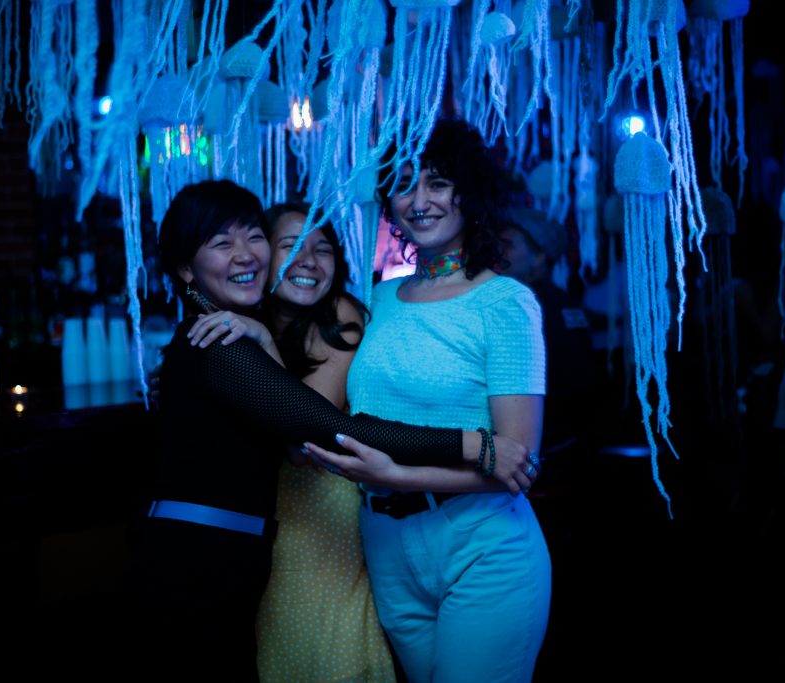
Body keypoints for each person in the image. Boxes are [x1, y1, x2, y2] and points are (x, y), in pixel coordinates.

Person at [125, 179, 538, 678]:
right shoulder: (220, 341)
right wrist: (473, 444)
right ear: (186, 269)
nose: (244, 255)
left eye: (252, 236)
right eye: (220, 243)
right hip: (195, 563)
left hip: (222, 560)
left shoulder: (237, 332)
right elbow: (327, 429)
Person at [307, 119, 551, 683]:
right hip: (386, 545)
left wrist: (400, 474)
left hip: (480, 543)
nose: (419, 200)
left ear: (469, 191)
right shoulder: (379, 297)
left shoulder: (506, 304)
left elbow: (519, 463)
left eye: (437, 183)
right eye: (404, 184)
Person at [254, 203, 396, 682]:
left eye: (323, 249)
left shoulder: (341, 315)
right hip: (268, 511)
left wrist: (259, 346)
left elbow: (305, 429)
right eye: (290, 246)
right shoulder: (255, 317)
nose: (309, 260)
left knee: (327, 650)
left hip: (320, 507)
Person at [497, 205, 594, 470]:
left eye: (507, 245)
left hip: (537, 453)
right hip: (568, 444)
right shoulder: (565, 302)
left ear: (539, 257)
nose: (497, 253)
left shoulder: (523, 307)